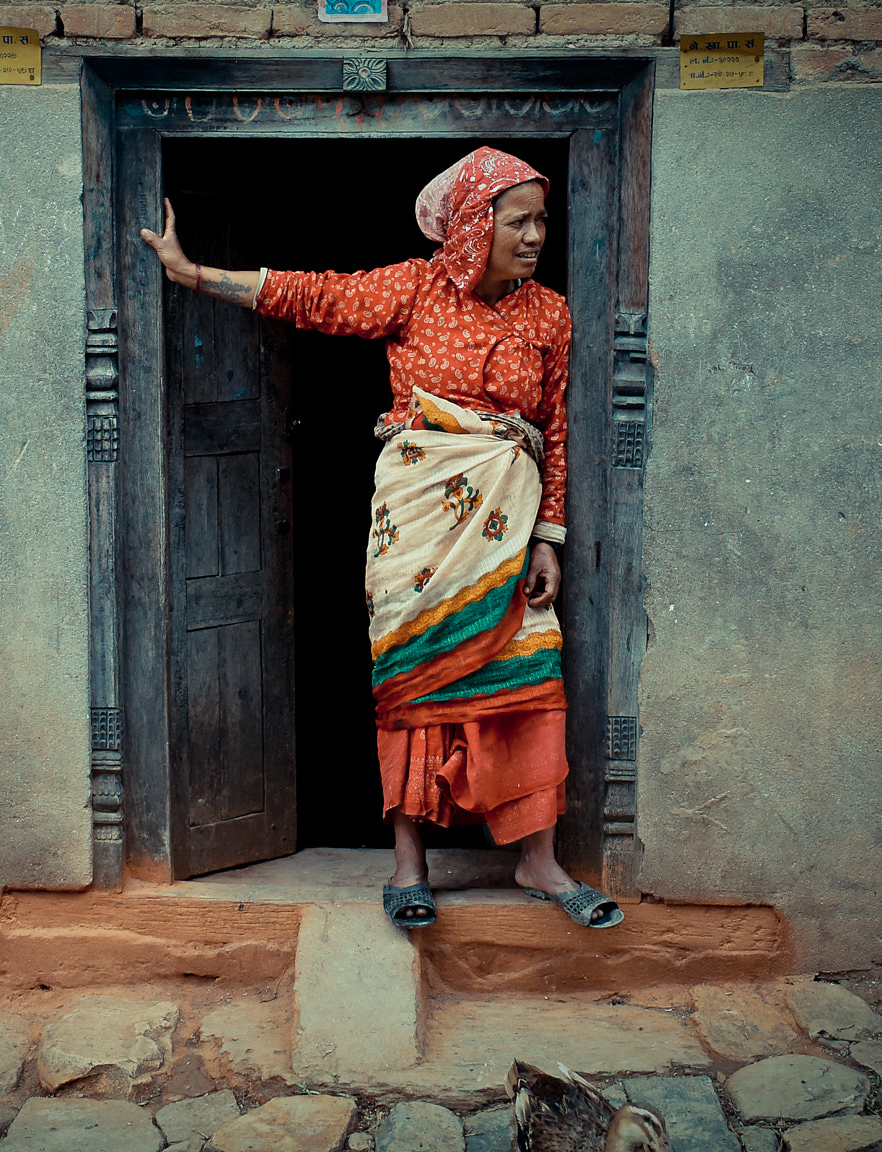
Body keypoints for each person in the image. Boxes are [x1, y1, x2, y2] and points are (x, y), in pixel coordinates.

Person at [140, 147, 622, 932]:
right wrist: (194, 274)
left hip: (505, 535)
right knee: (414, 681)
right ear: (474, 225)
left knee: (531, 683)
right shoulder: (416, 287)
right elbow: (314, 297)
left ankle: (536, 859)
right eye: (520, 220)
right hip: (418, 529)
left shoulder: (550, 315)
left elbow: (554, 432)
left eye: (543, 221)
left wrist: (548, 541)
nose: (537, 236)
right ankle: (409, 866)